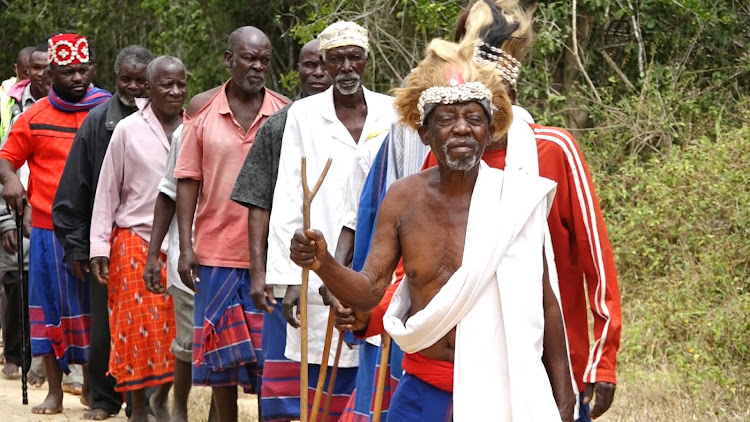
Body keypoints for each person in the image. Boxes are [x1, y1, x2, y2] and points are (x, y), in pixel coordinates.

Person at [291, 34, 576, 421]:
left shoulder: (515, 200)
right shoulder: (403, 198)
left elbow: (545, 303)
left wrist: (564, 398)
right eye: (446, 119)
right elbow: (369, 290)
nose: (461, 128)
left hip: (500, 390)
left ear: (489, 131)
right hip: (422, 390)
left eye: (474, 118)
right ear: (425, 133)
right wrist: (323, 262)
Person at [263, 20, 396, 421]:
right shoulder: (303, 114)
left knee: (374, 350)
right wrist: (289, 278)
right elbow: (289, 192)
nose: (346, 68)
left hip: (378, 248)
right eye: (336, 59)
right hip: (318, 255)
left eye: (354, 58)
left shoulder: (392, 112)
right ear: (324, 63)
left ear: (367, 61)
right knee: (321, 357)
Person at [174, 26, 289, 422]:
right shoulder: (202, 109)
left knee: (266, 361)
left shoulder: (285, 112)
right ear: (229, 60)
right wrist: (187, 247)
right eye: (249, 58)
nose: (257, 67)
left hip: (270, 257)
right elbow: (188, 179)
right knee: (220, 365)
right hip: (215, 252)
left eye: (264, 60)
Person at [0, 33, 111, 415]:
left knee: (99, 315)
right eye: (68, 72)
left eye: (83, 70)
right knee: (50, 310)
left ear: (93, 69)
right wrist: (11, 180)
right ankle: (55, 392)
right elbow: (6, 159)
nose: (77, 78)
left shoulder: (109, 110)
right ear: (51, 74)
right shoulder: (33, 117)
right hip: (48, 230)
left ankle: (98, 388)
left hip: (100, 229)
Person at [230, 38, 332, 422]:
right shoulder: (280, 124)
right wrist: (260, 274)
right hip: (289, 274)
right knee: (280, 378)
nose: (319, 72)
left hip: (343, 271)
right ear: (298, 70)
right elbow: (258, 203)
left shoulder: (372, 122)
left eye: (326, 64)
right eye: (310, 65)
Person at [52, 44, 152, 420]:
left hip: (154, 239)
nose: (134, 88)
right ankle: (104, 399)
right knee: (105, 328)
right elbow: (73, 191)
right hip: (106, 242)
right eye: (125, 80)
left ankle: (147, 401)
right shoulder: (99, 121)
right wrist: (79, 249)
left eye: (141, 81)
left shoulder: (172, 120)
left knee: (152, 324)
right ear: (114, 80)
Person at [88, 55, 185, 422]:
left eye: (180, 85)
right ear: (149, 88)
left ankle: (165, 399)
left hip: (180, 243)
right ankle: (138, 409)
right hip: (133, 239)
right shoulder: (128, 129)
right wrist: (99, 247)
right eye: (166, 85)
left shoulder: (194, 127)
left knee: (175, 332)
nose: (175, 92)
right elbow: (107, 191)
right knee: (134, 329)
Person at [0, 43, 47, 379]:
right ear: (25, 71)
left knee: (44, 285)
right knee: (17, 280)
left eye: (48, 67)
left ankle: (42, 360)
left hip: (52, 209)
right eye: (36, 67)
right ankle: (15, 354)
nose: (43, 73)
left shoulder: (85, 104)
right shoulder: (11, 106)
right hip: (15, 205)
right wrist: (4, 219)